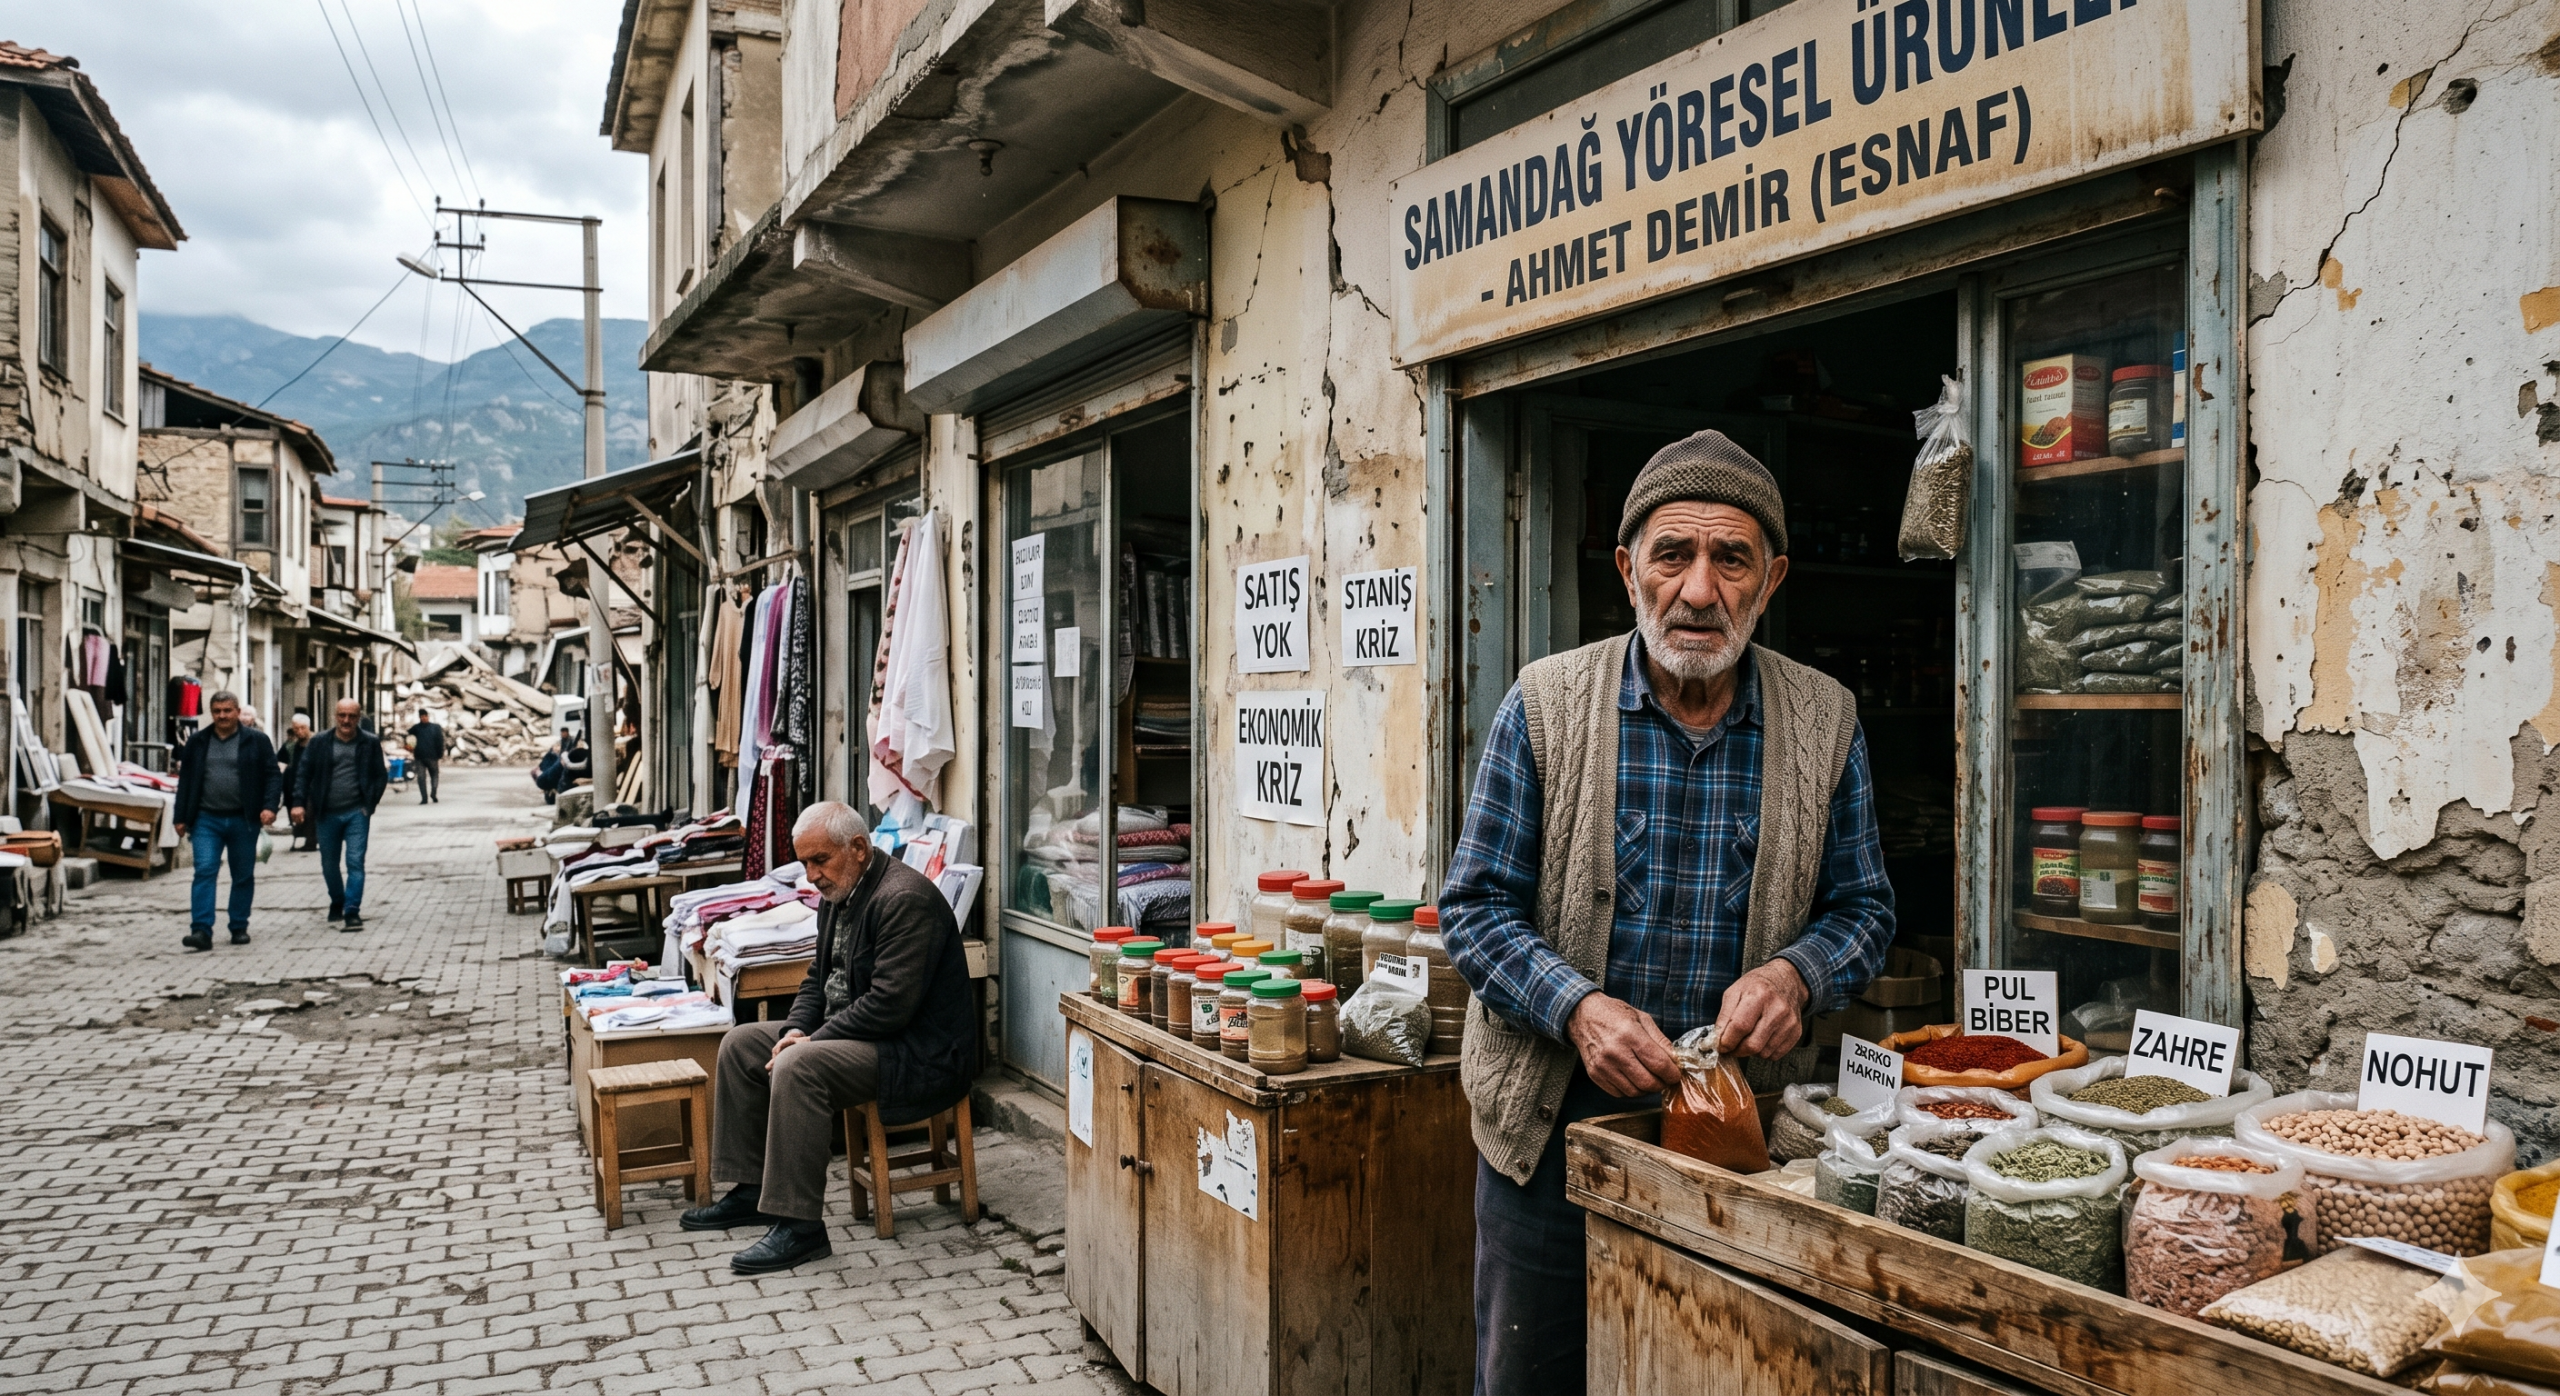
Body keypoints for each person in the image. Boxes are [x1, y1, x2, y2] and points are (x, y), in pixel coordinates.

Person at [1439, 430, 1896, 1396]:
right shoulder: (1546, 704)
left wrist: (1797, 975)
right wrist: (1575, 1008)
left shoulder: (1827, 719)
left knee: (1715, 1371)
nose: (1699, 590)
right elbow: (1475, 909)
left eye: (1730, 559)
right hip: (1550, 1140)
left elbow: (1863, 908)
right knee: (1534, 1376)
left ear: (1770, 580)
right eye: (1672, 556)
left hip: (1741, 1144)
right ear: (1627, 570)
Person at [681, 801, 975, 1275]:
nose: (812, 874)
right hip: (861, 1034)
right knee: (740, 1046)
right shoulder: (840, 895)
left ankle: (800, 1227)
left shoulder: (903, 899)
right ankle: (751, 1190)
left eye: (820, 860)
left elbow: (890, 1005)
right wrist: (798, 1028)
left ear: (858, 848)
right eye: (805, 863)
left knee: (799, 1067)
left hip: (918, 1051)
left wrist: (810, 1043)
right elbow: (817, 979)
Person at [170, 690, 281, 951]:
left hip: (244, 819)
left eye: (227, 711)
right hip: (206, 819)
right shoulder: (198, 742)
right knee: (204, 870)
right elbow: (185, 781)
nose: (222, 716)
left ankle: (239, 926)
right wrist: (180, 817)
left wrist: (269, 806)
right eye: (217, 711)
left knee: (242, 875)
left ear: (237, 711)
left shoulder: (256, 741)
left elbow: (273, 776)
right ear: (211, 713)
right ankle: (201, 930)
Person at [293, 698, 387, 931]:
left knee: (355, 861)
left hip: (357, 812)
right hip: (326, 813)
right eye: (342, 715)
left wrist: (369, 805)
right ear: (335, 715)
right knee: (329, 863)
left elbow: (379, 776)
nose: (346, 721)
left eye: (352, 716)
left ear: (359, 717)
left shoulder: (369, 742)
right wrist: (298, 803)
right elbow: (304, 773)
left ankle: (352, 910)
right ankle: (337, 900)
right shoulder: (320, 742)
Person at [279, 714, 315, 851]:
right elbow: (281, 761)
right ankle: (299, 837)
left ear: (308, 727)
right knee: (294, 813)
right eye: (296, 729)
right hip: (293, 784)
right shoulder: (291, 745)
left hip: (312, 784)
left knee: (310, 812)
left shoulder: (317, 742)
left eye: (302, 728)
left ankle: (311, 841)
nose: (299, 731)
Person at [407, 707, 446, 804]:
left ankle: (431, 794)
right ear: (420, 717)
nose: (424, 718)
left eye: (425, 716)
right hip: (422, 756)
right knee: (426, 777)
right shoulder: (433, 728)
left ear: (427, 716)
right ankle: (427, 796)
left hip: (429, 756)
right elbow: (409, 737)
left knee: (427, 777)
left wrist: (440, 754)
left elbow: (440, 742)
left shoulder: (418, 728)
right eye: (422, 717)